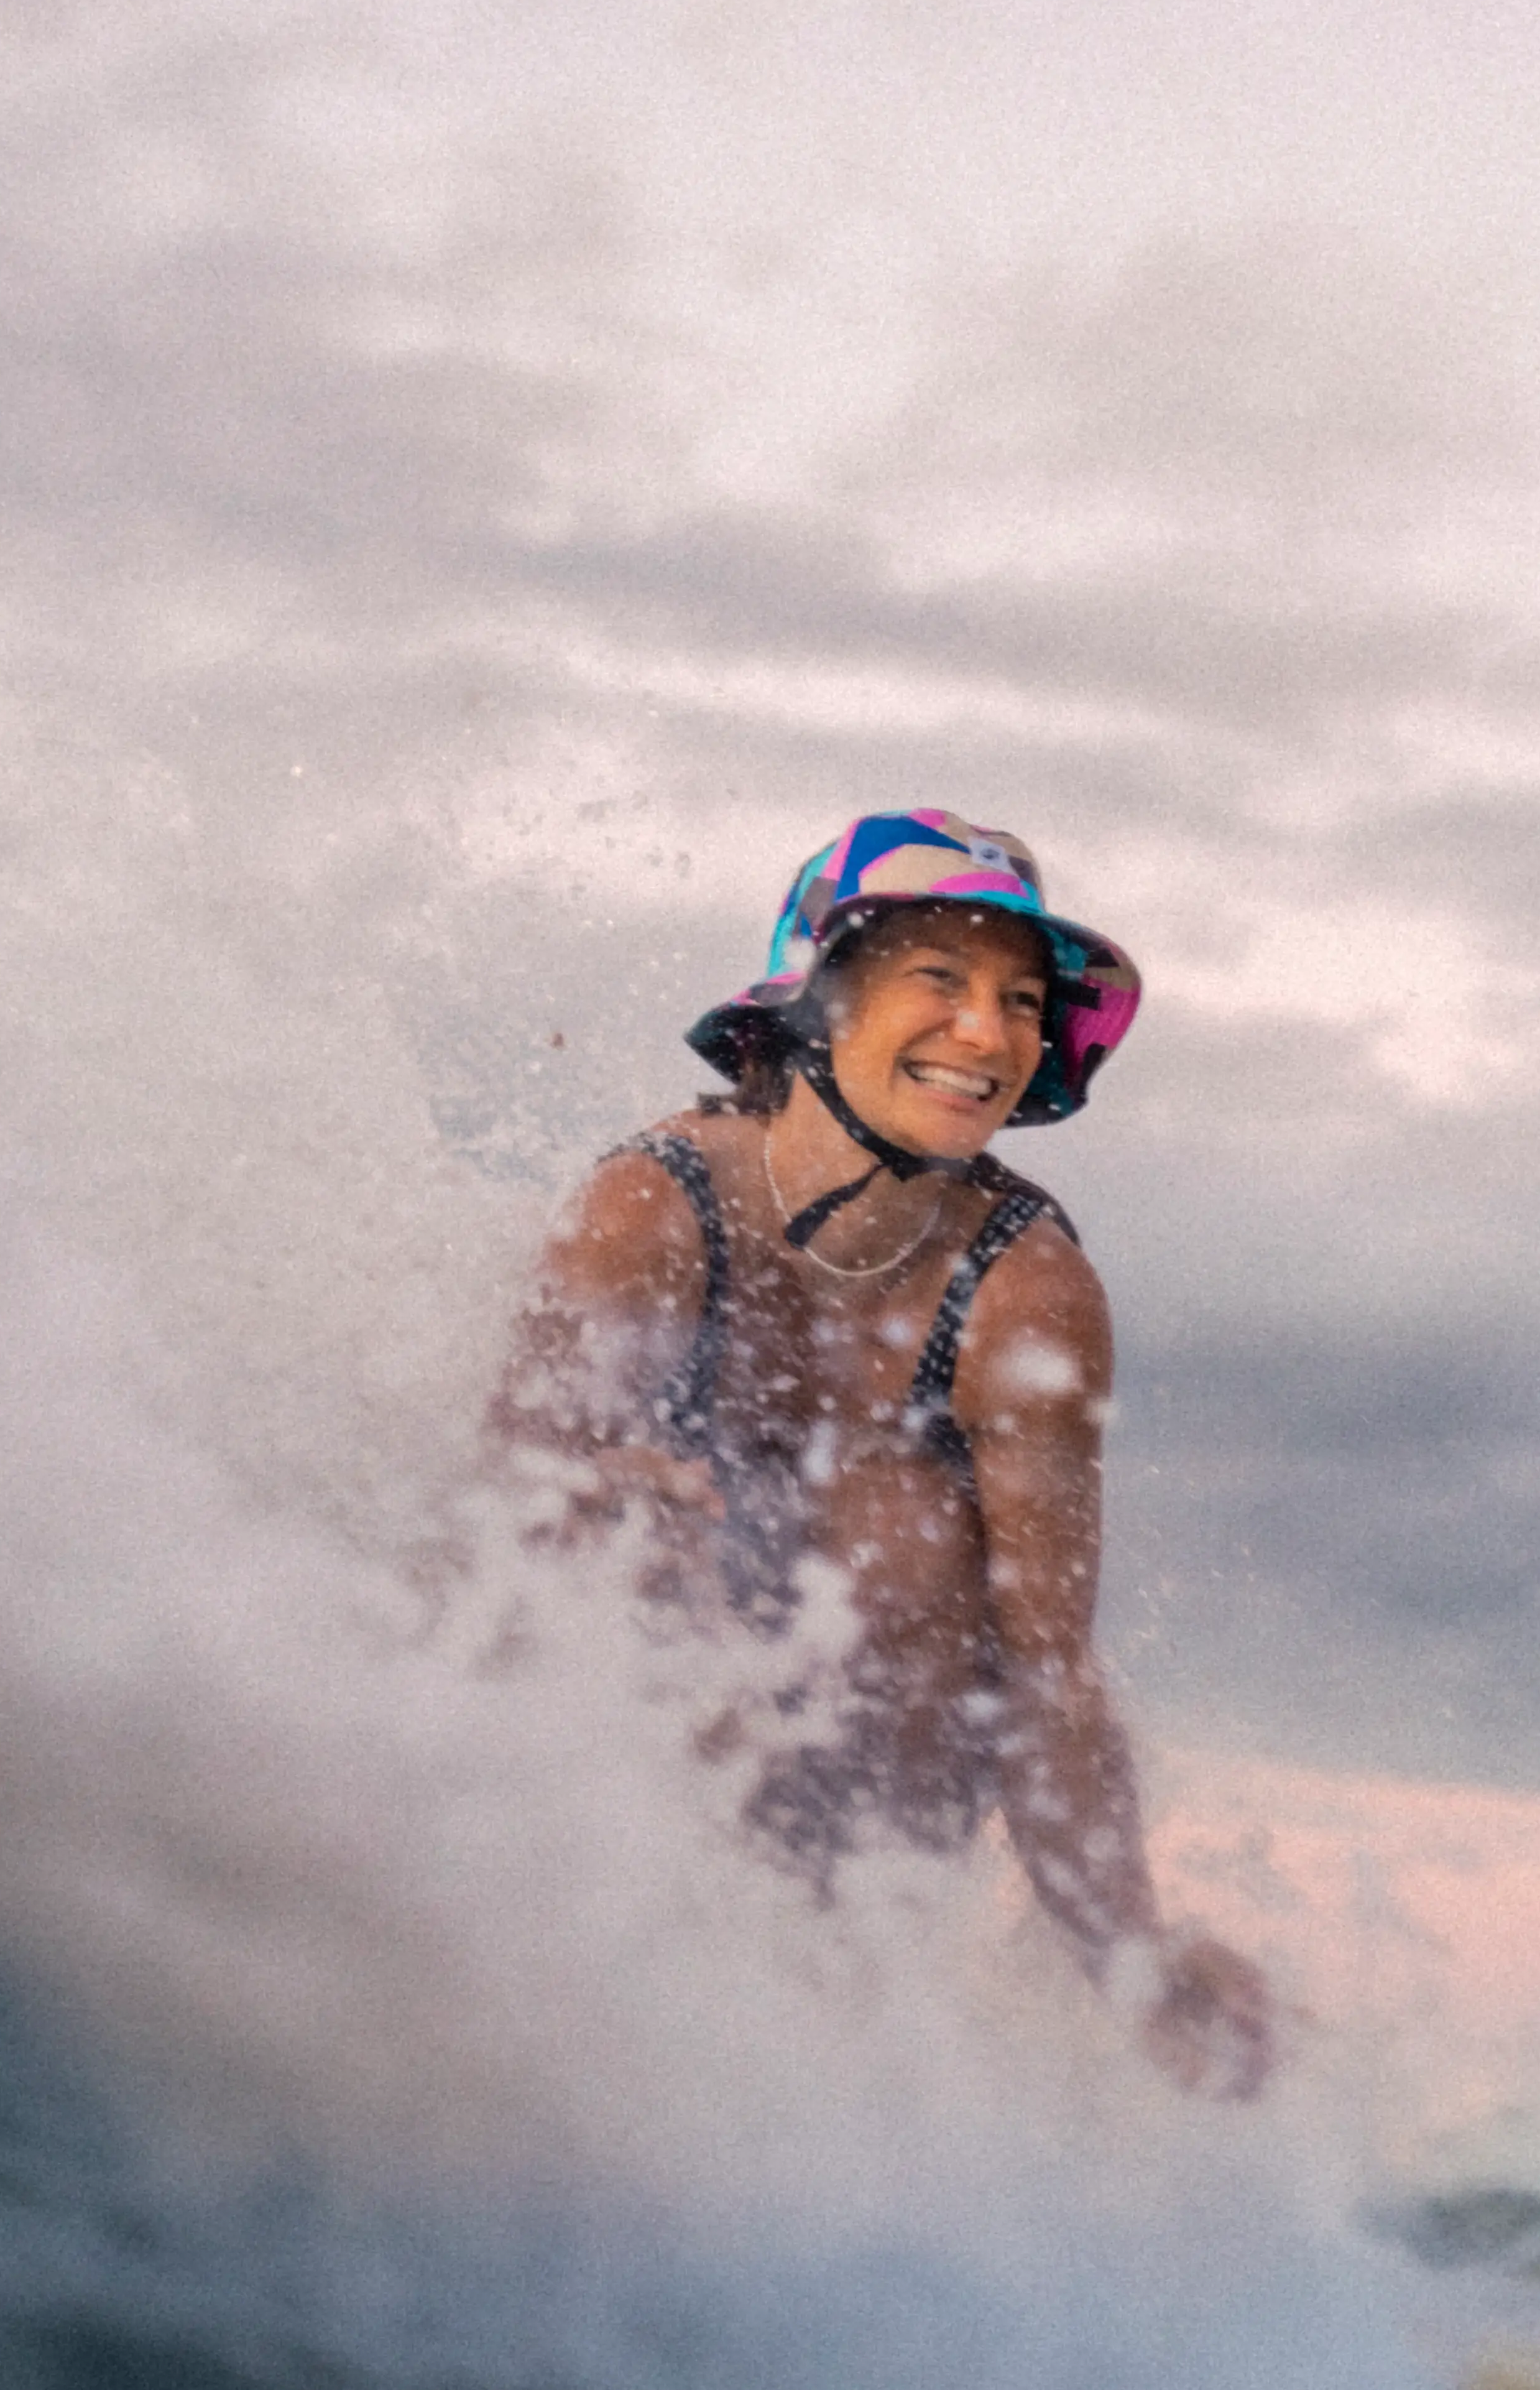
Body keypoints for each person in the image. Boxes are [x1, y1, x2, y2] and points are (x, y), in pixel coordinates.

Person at [489, 809, 1271, 2097]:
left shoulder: (1027, 1290)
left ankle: (822, 2015)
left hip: (855, 1865)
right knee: (617, 1510)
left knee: (908, 1539)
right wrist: (604, 1501)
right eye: (939, 978)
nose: (989, 1034)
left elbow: (1050, 1681)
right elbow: (490, 1521)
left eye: (1023, 1002)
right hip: (592, 1818)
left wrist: (1134, 1957)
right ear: (822, 998)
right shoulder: (651, 1205)